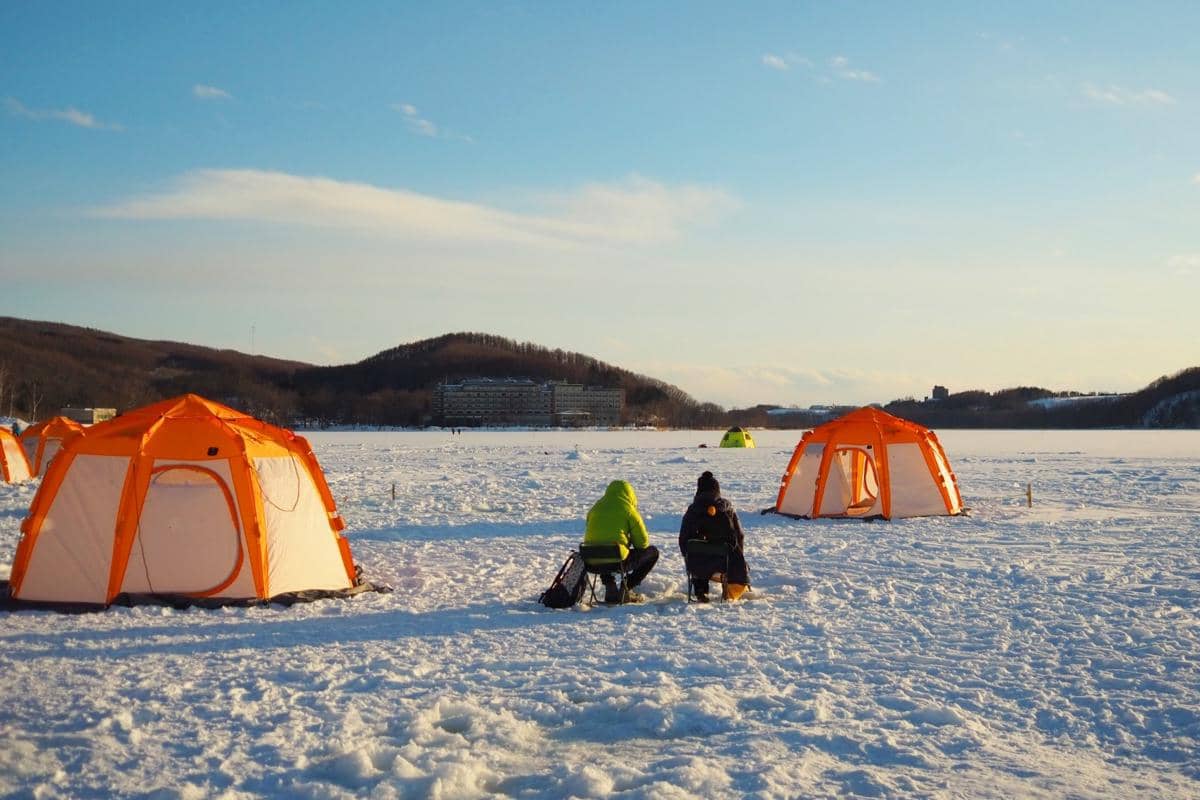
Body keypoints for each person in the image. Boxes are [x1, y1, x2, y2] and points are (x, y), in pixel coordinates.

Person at [584, 480, 659, 604]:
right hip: (617, 560)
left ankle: (610, 586)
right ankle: (626, 588)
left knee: (603, 548)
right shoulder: (628, 509)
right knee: (652, 552)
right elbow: (642, 544)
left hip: (591, 560)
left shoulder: (595, 507)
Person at [678, 471, 750, 602]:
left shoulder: (693, 511)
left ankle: (700, 590)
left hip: (697, 565)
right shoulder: (727, 509)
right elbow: (739, 535)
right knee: (726, 554)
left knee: (697, 552)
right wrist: (738, 556)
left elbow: (683, 539)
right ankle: (730, 591)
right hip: (724, 564)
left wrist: (687, 557)